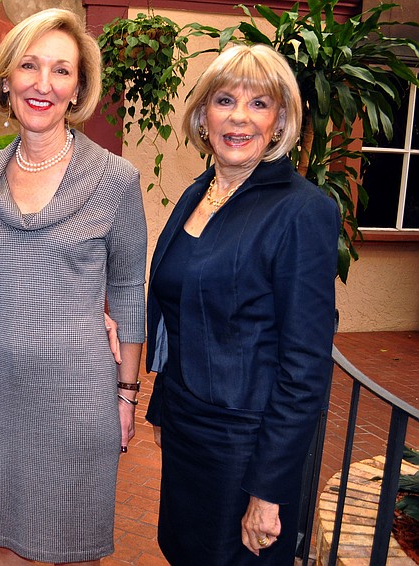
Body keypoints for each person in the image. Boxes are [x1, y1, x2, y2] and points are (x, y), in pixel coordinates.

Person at [144, 44, 340, 565]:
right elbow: (178, 310)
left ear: (280, 122)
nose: (238, 118)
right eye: (225, 99)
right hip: (187, 430)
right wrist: (164, 407)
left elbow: (305, 366)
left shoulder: (302, 212)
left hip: (246, 447)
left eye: (259, 104)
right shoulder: (200, 192)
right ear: (203, 115)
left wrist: (268, 491)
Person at [0, 8, 147, 565]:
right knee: (2, 540)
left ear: (78, 88)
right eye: (29, 66)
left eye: (61, 71)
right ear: (6, 81)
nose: (43, 84)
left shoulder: (115, 179)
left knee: (72, 545)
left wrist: (126, 393)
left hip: (78, 396)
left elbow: (130, 290)